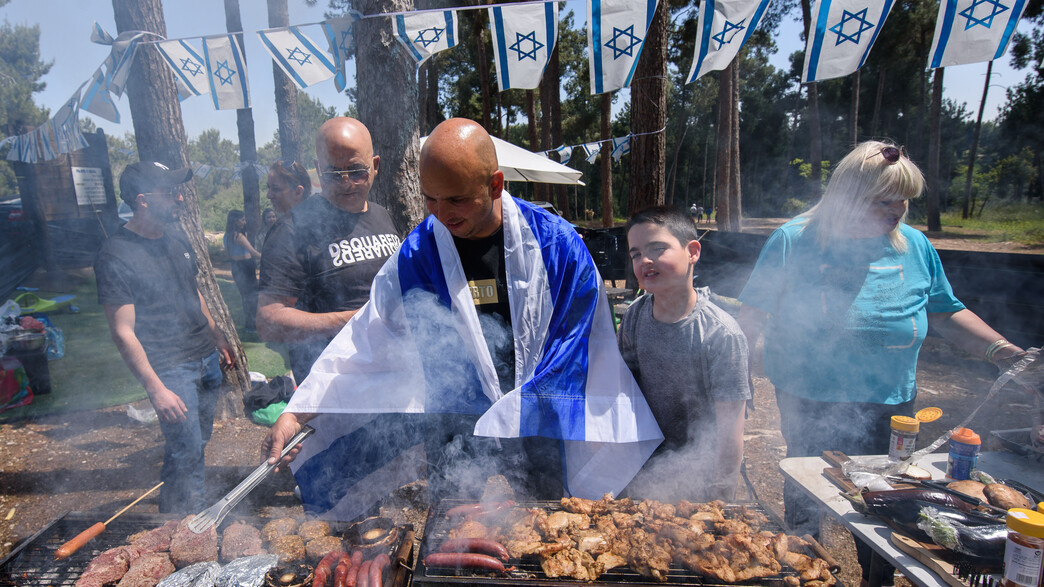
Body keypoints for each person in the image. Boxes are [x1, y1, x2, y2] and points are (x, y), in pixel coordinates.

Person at [262, 118, 662, 521]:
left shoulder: (556, 245)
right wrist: (296, 413)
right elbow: (366, 339)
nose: (441, 213)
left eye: (455, 199)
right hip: (454, 429)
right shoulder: (419, 254)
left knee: (539, 527)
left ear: (495, 185)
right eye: (430, 199)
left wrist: (517, 406)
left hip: (538, 425)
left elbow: (582, 342)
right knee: (452, 530)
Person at [736, 141, 1026, 586]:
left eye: (904, 199)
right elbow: (752, 316)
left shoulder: (914, 245)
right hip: (809, 396)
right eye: (883, 200)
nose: (897, 210)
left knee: (888, 496)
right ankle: (804, 573)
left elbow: (944, 312)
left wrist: (1004, 353)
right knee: (806, 492)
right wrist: (738, 382)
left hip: (892, 400)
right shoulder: (794, 240)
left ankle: (878, 578)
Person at [94, 161, 233, 513]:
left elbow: (193, 292)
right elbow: (122, 331)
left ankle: (171, 514)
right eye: (170, 193)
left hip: (205, 358)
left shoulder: (177, 239)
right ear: (142, 200)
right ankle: (195, 524)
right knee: (187, 449)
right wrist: (156, 389)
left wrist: (217, 336)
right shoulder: (115, 254)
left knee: (194, 444)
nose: (180, 198)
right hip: (171, 368)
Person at [619, 206, 750, 502]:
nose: (645, 261)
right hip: (644, 471)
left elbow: (731, 429)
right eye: (636, 254)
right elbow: (625, 393)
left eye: (658, 249)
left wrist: (721, 499)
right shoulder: (634, 316)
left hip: (700, 481)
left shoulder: (721, 334)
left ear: (692, 252)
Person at [258, 118, 402, 384]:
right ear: (317, 169)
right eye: (333, 174)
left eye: (357, 172)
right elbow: (269, 321)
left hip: (391, 377)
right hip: (332, 386)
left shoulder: (383, 216)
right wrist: (353, 320)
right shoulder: (291, 229)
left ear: (375, 166)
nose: (346, 183)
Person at [224, 209, 261, 332]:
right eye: (242, 220)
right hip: (246, 267)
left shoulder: (226, 236)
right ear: (236, 221)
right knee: (252, 296)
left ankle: (250, 325)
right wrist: (268, 257)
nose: (244, 222)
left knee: (245, 297)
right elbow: (253, 253)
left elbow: (228, 256)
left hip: (236, 267)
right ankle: (253, 325)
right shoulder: (239, 236)